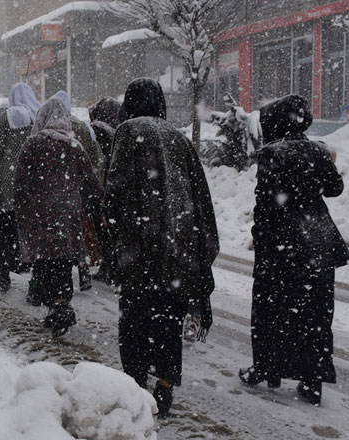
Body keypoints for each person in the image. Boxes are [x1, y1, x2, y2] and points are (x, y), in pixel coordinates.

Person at [104, 78, 219, 418]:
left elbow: (116, 190)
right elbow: (200, 196)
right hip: (178, 249)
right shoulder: (177, 137)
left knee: (135, 320)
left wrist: (115, 237)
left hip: (140, 249)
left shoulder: (127, 131)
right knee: (167, 321)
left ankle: (137, 386)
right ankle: (165, 385)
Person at [239, 95, 349, 407]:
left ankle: (266, 367)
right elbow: (335, 188)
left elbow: (265, 203)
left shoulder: (271, 153)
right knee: (315, 312)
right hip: (317, 239)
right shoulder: (318, 150)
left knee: (270, 309)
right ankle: (312, 380)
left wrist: (260, 237)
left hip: (281, 241)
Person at [15, 97, 103, 337]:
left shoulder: (32, 144)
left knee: (44, 263)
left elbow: (21, 184)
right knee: (63, 264)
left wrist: (23, 213)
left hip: (39, 218)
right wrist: (91, 207)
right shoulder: (75, 147)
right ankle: (62, 302)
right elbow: (91, 184)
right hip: (68, 218)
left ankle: (54, 305)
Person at [49, 90, 102, 291]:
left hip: (57, 190)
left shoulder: (49, 129)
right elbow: (96, 159)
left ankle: (59, 279)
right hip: (79, 189)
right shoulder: (82, 127)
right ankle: (83, 270)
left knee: (59, 233)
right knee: (80, 231)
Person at [0, 83, 41, 291]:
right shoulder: (36, 117)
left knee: (3, 232)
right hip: (29, 186)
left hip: (7, 186)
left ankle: (4, 275)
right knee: (30, 233)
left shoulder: (6, 118)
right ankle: (34, 280)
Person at [88, 97, 122, 285]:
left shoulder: (99, 130)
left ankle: (108, 268)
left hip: (102, 184)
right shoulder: (119, 130)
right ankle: (113, 268)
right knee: (112, 230)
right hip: (115, 184)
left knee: (103, 229)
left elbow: (96, 157)